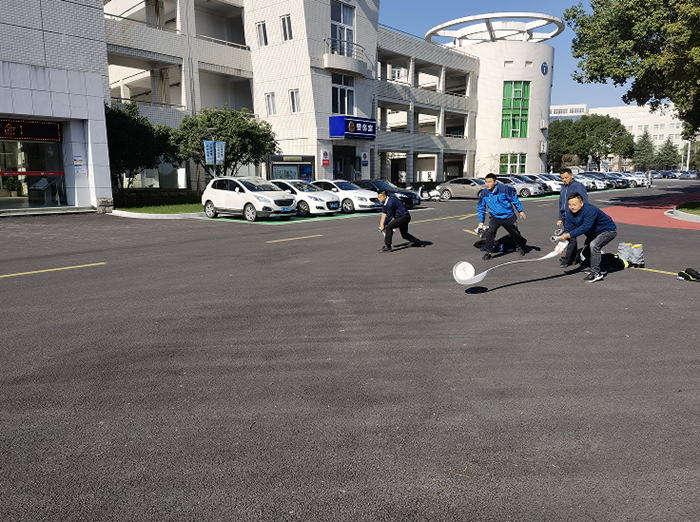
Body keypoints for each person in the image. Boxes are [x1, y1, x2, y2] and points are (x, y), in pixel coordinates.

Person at [557, 193, 617, 282]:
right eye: (570, 204)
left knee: (594, 245)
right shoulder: (570, 214)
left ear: (581, 203)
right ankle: (601, 269)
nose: (572, 207)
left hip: (607, 231)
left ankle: (596, 273)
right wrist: (561, 245)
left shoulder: (590, 210)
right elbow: (568, 229)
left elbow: (585, 227)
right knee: (585, 254)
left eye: (574, 204)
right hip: (593, 234)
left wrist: (568, 235)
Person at [477, 173, 527, 260]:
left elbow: (514, 199)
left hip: (508, 216)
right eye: (486, 182)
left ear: (495, 182)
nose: (487, 184)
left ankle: (519, 247)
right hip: (495, 217)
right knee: (490, 233)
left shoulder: (504, 189)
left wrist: (520, 211)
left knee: (515, 233)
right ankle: (488, 252)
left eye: (489, 182)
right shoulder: (484, 193)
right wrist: (481, 221)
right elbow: (481, 207)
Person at [557, 168, 588, 268]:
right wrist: (560, 217)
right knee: (571, 239)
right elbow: (561, 203)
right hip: (566, 217)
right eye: (562, 178)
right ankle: (573, 259)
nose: (564, 180)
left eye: (566, 177)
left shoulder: (578, 186)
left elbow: (584, 202)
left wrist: (582, 216)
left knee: (571, 238)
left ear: (572, 175)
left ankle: (567, 260)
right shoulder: (563, 187)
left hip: (575, 216)